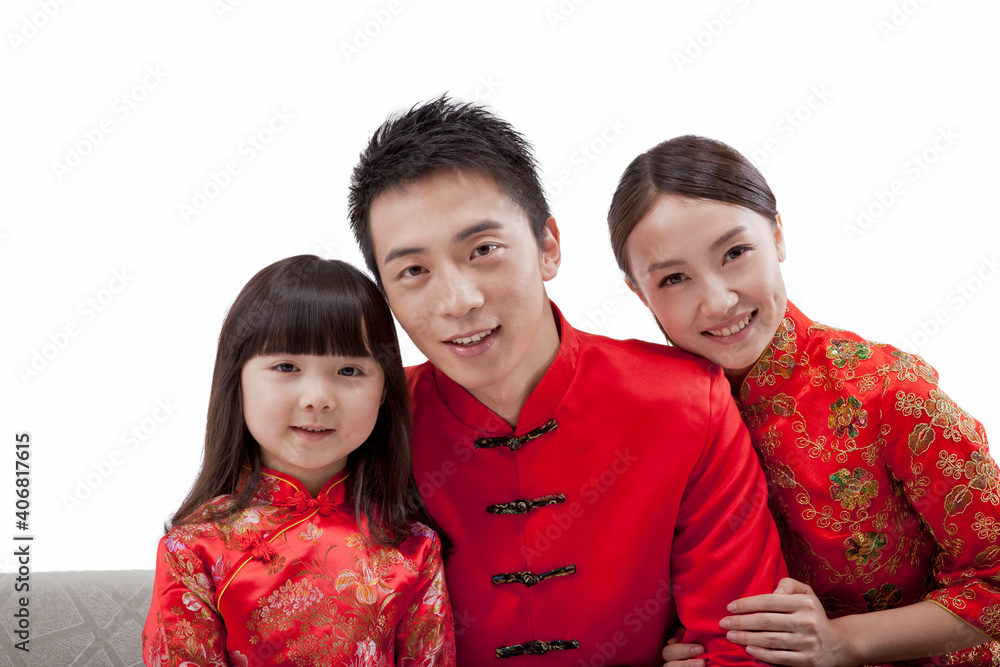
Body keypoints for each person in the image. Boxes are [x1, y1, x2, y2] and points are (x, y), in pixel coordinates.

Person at [347, 96, 788, 666]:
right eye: (413, 271)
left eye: (483, 250)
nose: (458, 301)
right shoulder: (365, 425)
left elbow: (744, 644)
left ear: (548, 245)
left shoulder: (685, 403)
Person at [607, 135, 1000, 666]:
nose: (719, 301)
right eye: (674, 278)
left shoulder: (888, 391)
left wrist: (845, 642)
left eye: (736, 253)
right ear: (638, 292)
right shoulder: (648, 418)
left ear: (779, 237)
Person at [142, 255, 455, 667]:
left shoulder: (411, 546)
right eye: (286, 366)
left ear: (384, 389)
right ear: (235, 379)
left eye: (348, 370)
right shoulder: (195, 549)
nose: (317, 398)